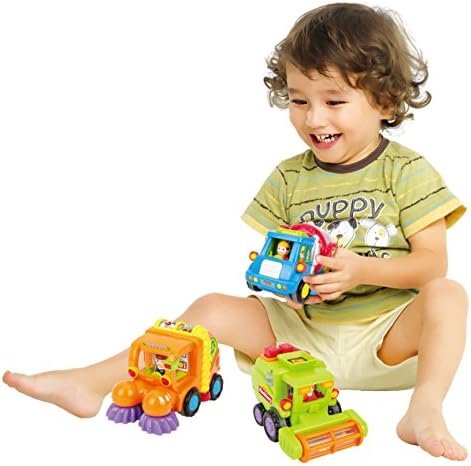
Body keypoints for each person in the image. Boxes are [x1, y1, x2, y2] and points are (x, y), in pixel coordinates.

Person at [3, 3, 468, 461]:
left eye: (333, 101)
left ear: (384, 101)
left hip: (385, 341)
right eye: (299, 100)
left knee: (448, 294)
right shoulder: (289, 177)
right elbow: (280, 257)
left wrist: (360, 271)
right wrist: (285, 287)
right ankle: (92, 383)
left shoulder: (407, 171)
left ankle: (423, 410)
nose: (313, 118)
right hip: (301, 343)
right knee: (210, 307)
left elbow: (431, 264)